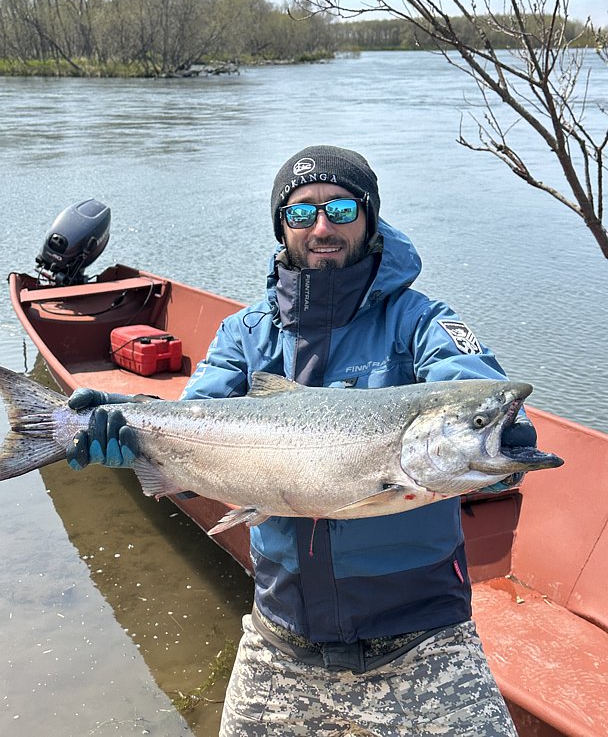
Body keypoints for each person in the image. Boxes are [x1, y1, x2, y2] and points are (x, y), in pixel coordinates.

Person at [67, 145, 535, 736]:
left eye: (340, 209)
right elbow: (193, 430)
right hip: (281, 636)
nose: (321, 228)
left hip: (424, 641)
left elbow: (482, 405)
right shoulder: (244, 332)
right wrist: (136, 429)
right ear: (281, 225)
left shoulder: (422, 322)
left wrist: (504, 448)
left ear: (369, 218)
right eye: (301, 212)